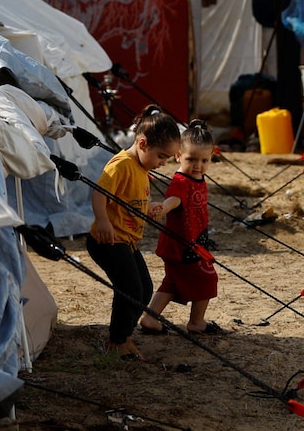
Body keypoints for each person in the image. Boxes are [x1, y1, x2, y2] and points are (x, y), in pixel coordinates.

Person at [86, 104, 181, 362]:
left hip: (127, 241)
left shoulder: (141, 168)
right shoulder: (121, 165)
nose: (163, 163)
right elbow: (99, 193)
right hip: (108, 240)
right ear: (142, 143)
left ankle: (123, 335)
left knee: (144, 289)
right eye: (161, 156)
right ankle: (117, 341)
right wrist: (102, 220)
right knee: (129, 288)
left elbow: (128, 200)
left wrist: (148, 208)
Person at [139, 119, 224, 335]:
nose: (198, 165)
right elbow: (175, 199)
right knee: (207, 278)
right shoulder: (181, 181)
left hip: (190, 242)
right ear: (178, 156)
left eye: (204, 160)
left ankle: (150, 318)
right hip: (183, 246)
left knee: (172, 282)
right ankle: (197, 322)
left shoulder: (198, 177)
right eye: (191, 159)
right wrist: (164, 208)